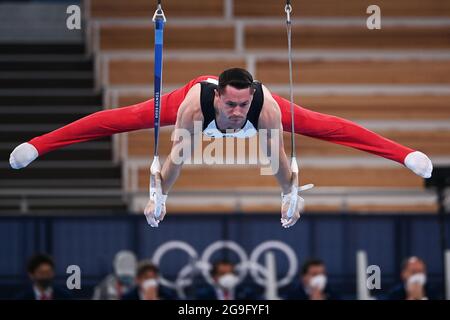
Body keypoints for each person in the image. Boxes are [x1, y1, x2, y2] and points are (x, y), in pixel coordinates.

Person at [9, 68, 433, 228]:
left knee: (328, 127)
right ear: (218, 97)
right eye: (230, 103)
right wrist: (159, 195)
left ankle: (404, 155)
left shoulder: (263, 110)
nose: (235, 111)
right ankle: (38, 145)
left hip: (268, 115)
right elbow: (174, 162)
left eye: (241, 103)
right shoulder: (195, 107)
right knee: (118, 119)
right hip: (186, 102)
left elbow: (280, 164)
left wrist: (289, 195)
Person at [193, 260, 258, 300]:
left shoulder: (245, 294)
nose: (227, 277)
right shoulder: (204, 295)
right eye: (223, 274)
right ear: (215, 277)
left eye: (230, 273)